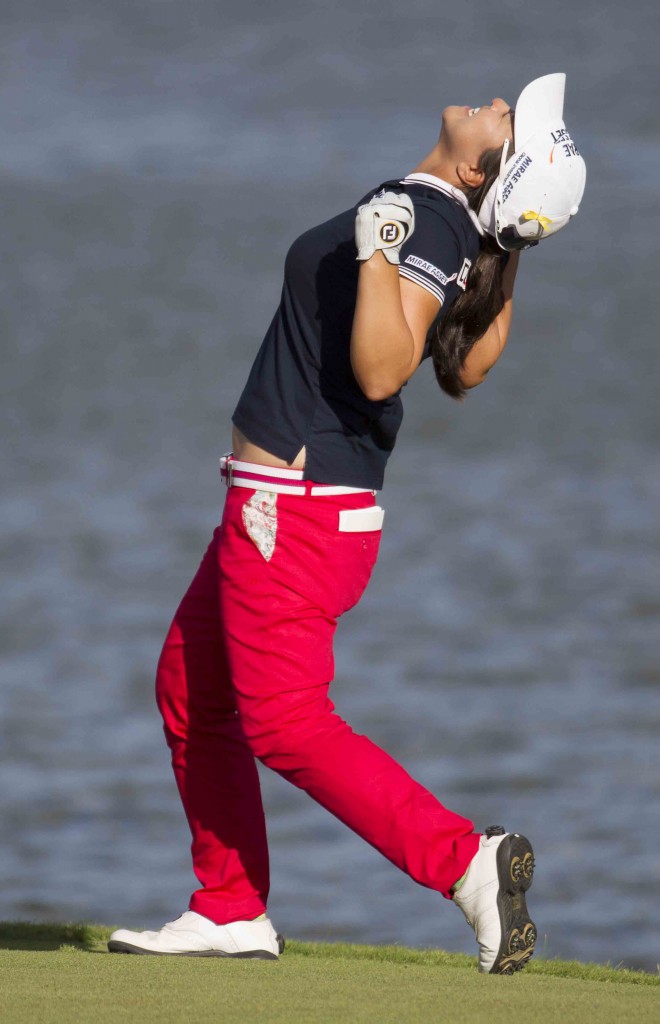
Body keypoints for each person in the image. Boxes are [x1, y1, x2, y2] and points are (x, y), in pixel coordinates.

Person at [108, 74, 586, 974]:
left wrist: (379, 255)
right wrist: (510, 240)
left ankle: (466, 864)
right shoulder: (454, 223)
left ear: (490, 167)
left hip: (291, 513)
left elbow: (381, 370)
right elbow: (470, 367)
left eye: (505, 116)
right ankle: (229, 906)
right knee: (190, 688)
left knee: (284, 721)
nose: (491, 100)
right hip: (292, 508)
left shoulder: (424, 216)